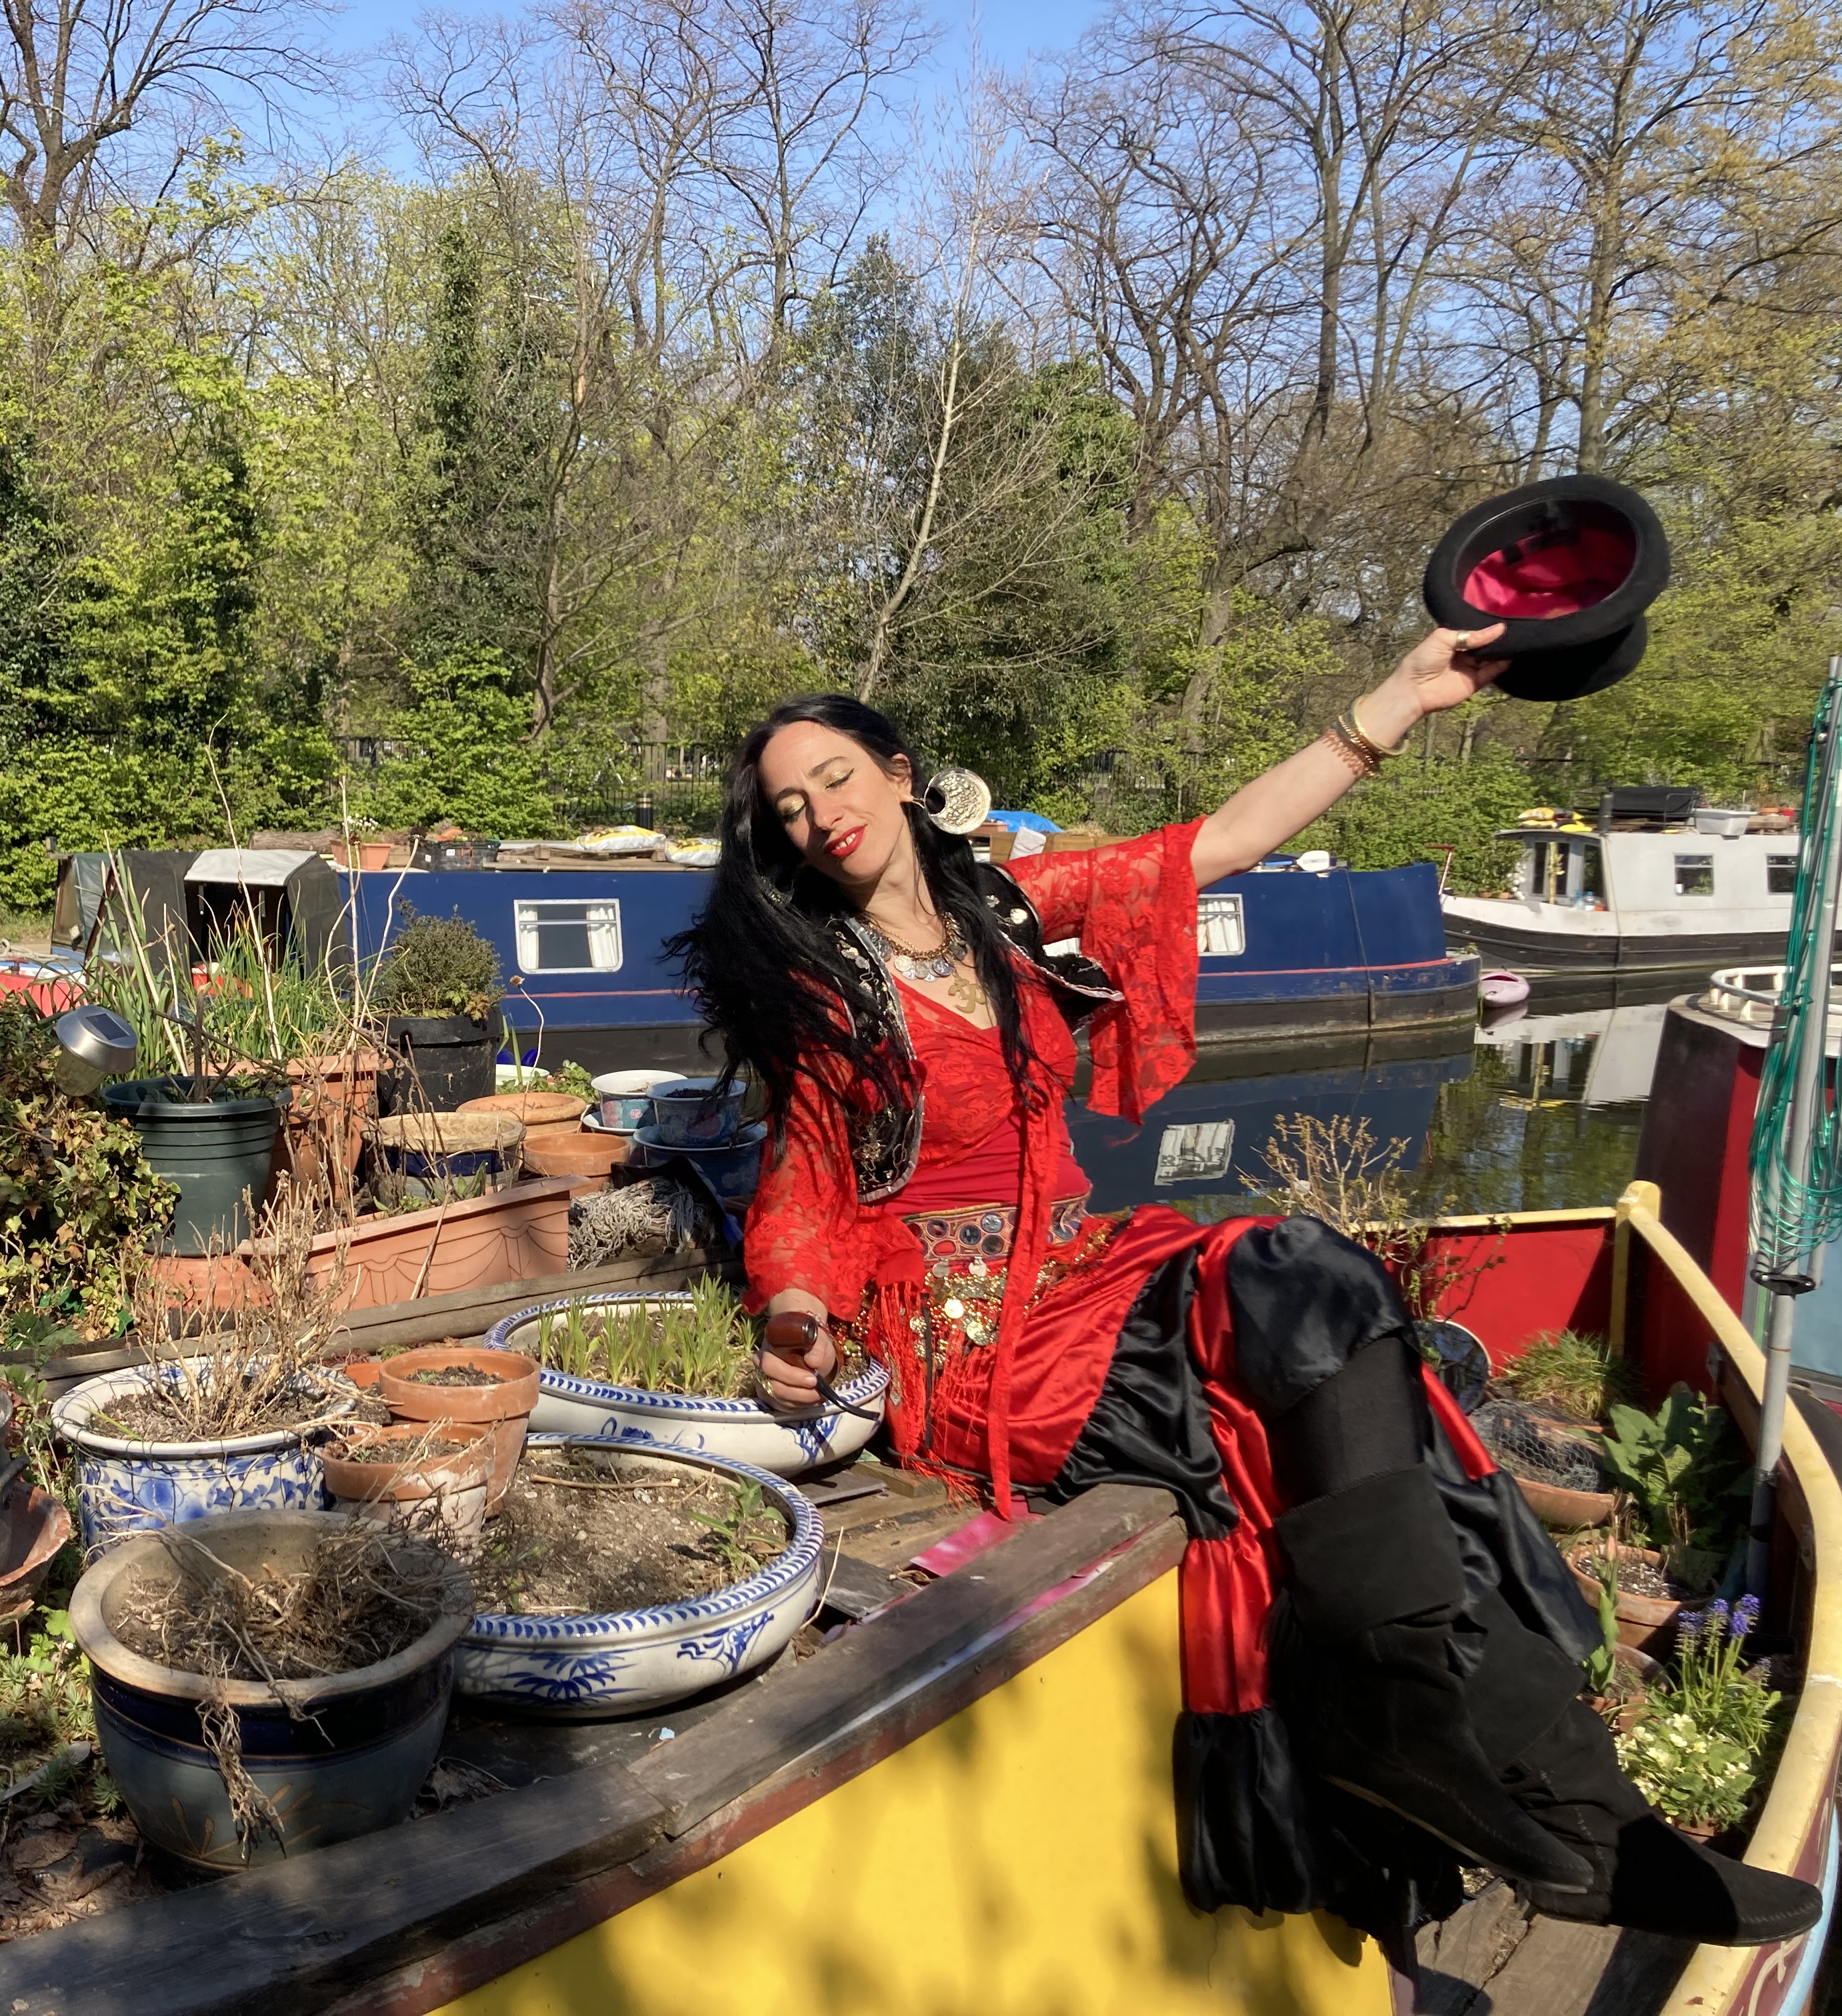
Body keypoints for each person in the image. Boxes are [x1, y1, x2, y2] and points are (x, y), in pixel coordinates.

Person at [675, 621, 1821, 1949]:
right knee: (1335, 1432)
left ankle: (1517, 1777)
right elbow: (801, 1190)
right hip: (978, 1329)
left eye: (836, 777)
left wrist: (1400, 698)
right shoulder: (821, 990)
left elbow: (1217, 845)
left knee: (1311, 1275)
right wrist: (798, 1317)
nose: (820, 814)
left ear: (898, 772)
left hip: (1097, 1266)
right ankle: (1570, 1808)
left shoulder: (1005, 908)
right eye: (789, 806)